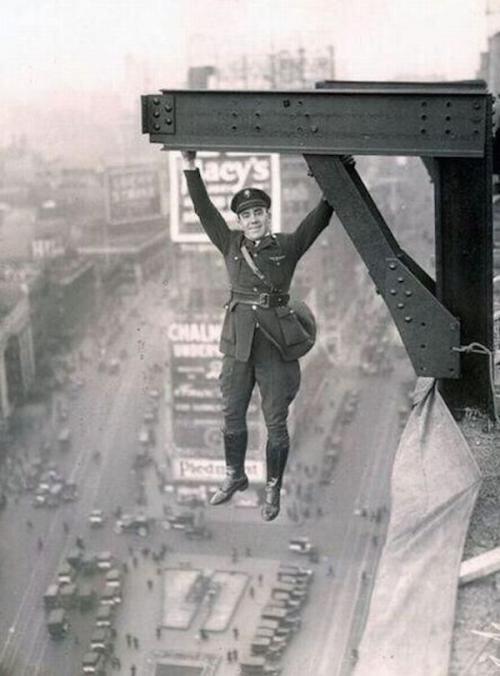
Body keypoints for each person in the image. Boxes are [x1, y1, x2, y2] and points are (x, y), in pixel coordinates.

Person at [182, 150, 344, 521]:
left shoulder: (286, 246)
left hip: (275, 347)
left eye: (258, 213)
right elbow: (204, 209)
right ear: (239, 221)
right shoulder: (230, 244)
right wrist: (190, 167)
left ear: (267, 217)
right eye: (246, 215)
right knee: (231, 413)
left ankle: (273, 489)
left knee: (276, 424)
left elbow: (319, 219)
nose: (252, 219)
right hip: (238, 346)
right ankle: (234, 475)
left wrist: (337, 175)